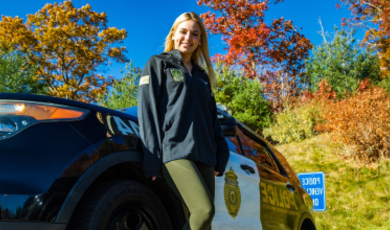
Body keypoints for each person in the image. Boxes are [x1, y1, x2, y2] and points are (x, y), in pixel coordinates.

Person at [137, 11, 230, 230]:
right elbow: (147, 111)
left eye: (194, 34)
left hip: (205, 155)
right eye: (183, 32)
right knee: (204, 210)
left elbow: (211, 119)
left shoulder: (202, 76)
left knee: (204, 223)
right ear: (173, 34)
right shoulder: (158, 64)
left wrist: (221, 154)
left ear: (200, 41)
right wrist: (152, 158)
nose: (188, 38)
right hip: (175, 150)